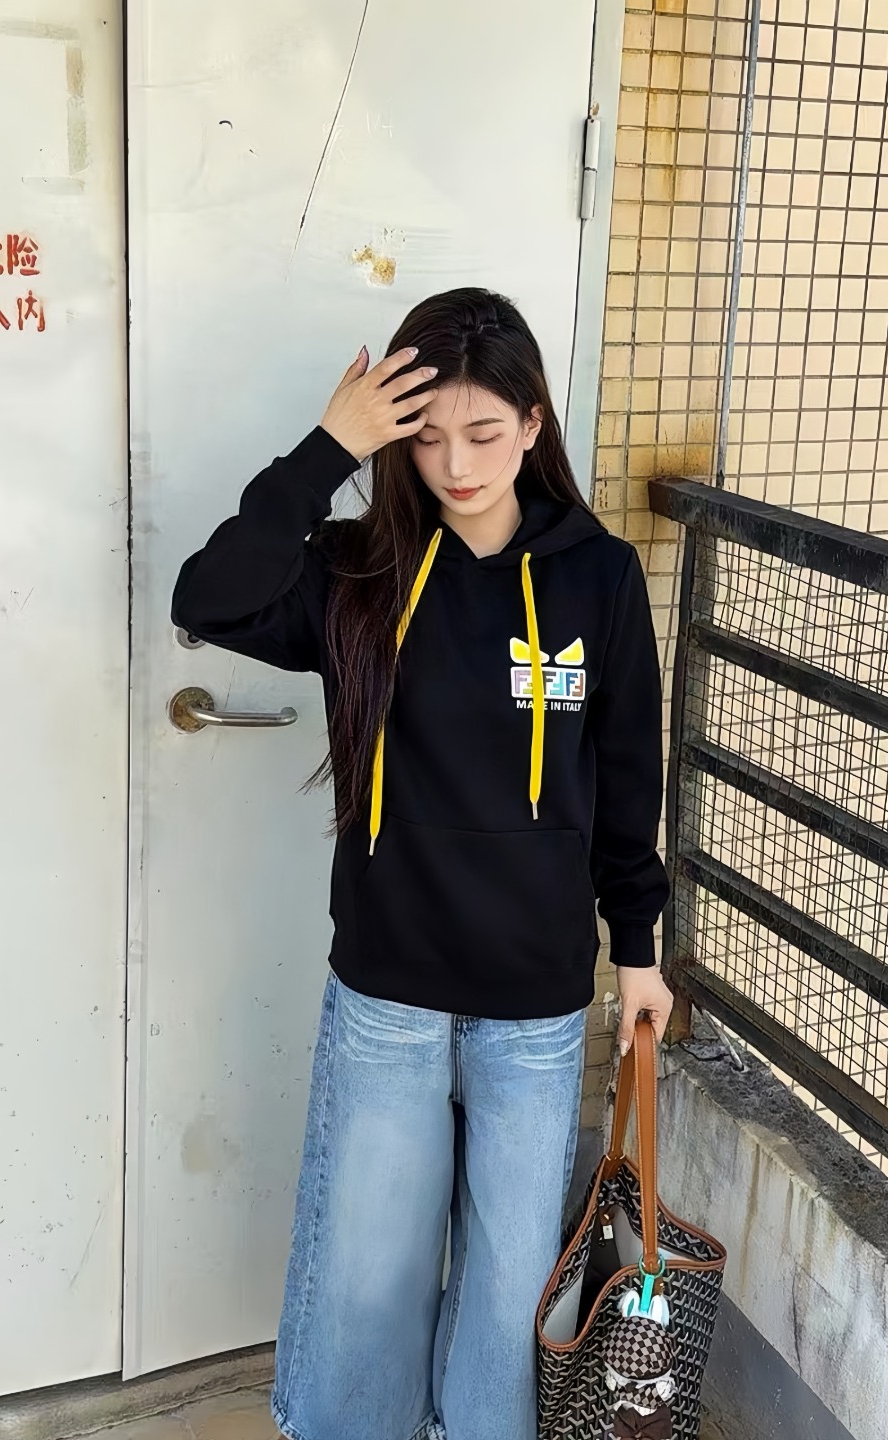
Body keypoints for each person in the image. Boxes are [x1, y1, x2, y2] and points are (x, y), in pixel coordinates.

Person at [172, 288, 672, 1440]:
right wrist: (326, 451)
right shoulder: (361, 569)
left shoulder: (598, 578)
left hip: (535, 1003)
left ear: (534, 425)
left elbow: (624, 776)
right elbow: (208, 596)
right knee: (370, 1278)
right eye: (426, 434)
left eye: (484, 432)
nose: (456, 463)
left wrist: (639, 949)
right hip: (388, 990)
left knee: (509, 1292)